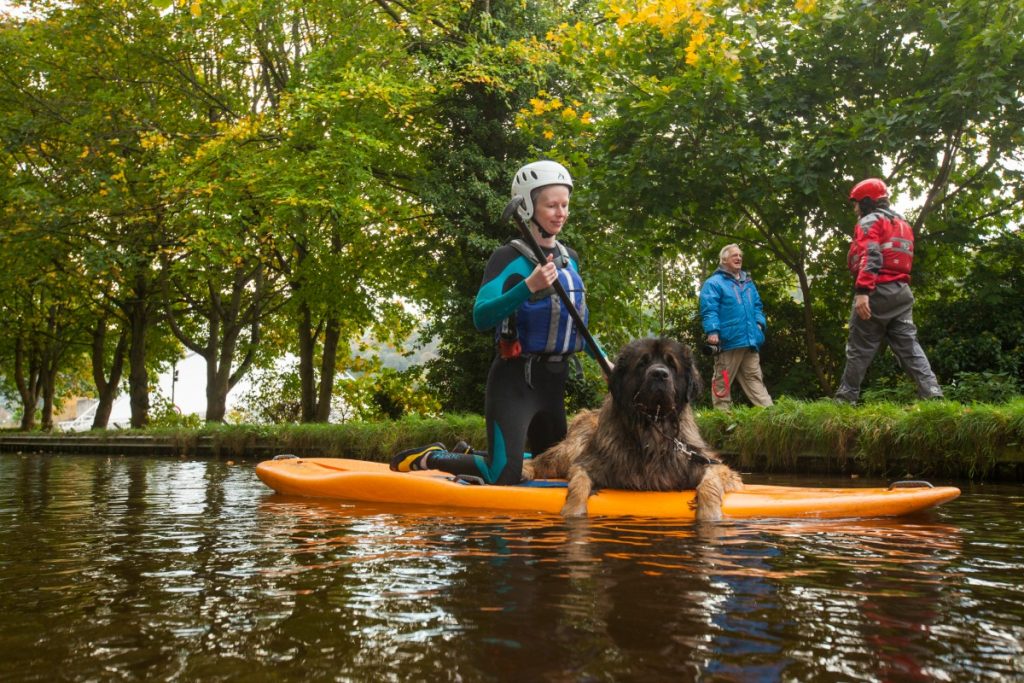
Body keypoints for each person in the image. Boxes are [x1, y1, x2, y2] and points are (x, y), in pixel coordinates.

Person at [391, 160, 610, 484]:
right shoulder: (508, 258)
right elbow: (481, 317)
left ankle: (472, 455)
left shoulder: (570, 259)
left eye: (564, 204)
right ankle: (430, 457)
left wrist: (604, 361)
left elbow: (576, 321)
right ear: (527, 206)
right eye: (551, 205)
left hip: (553, 381)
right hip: (514, 381)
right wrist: (528, 287)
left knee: (553, 467)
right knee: (503, 473)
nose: (560, 212)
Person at [834, 177, 943, 404]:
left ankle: (845, 399)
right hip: (901, 293)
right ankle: (933, 393)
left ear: (866, 201)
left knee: (858, 348)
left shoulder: (869, 222)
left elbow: (871, 256)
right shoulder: (903, 224)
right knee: (909, 347)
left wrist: (863, 291)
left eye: (856, 203)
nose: (854, 208)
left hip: (876, 292)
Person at [699, 243, 773, 411]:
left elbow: (757, 306)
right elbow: (709, 309)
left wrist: (760, 325)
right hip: (728, 340)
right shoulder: (714, 283)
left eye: (740, 256)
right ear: (724, 259)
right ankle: (723, 420)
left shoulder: (748, 282)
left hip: (750, 340)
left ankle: (771, 416)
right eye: (735, 256)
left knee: (754, 379)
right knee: (722, 382)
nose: (739, 258)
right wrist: (712, 331)